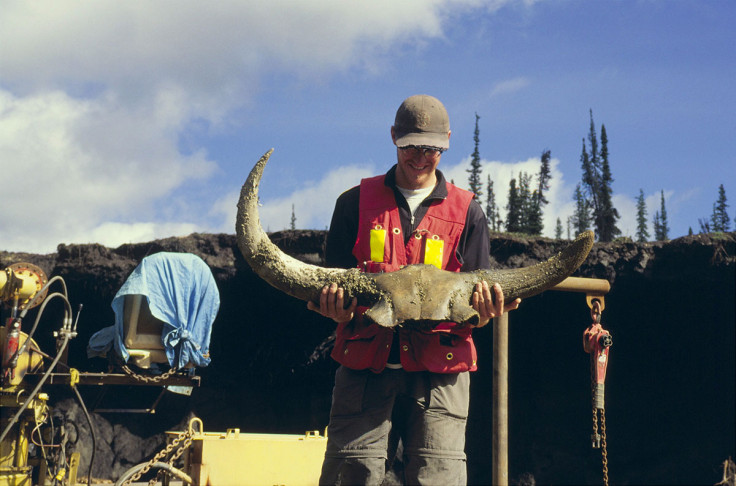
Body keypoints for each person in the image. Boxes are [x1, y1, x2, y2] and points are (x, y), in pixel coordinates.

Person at [309, 94, 520, 485]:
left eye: (432, 148)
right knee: (350, 476)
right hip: (365, 371)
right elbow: (331, 284)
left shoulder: (469, 212)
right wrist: (334, 307)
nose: (421, 158)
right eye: (410, 147)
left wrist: (485, 310)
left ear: (447, 143)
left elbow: (477, 295)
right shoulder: (353, 204)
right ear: (393, 137)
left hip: (441, 377)